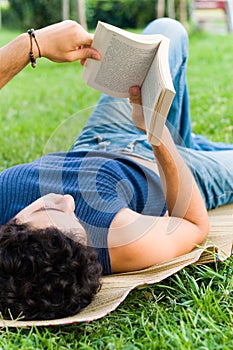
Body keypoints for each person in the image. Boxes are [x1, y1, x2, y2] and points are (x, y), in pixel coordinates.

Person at [0, 18, 232, 321]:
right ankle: (187, 145)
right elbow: (193, 224)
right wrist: (157, 136)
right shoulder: (120, 242)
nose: (68, 201)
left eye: (51, 208)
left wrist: (34, 45)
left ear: (12, 229)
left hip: (101, 137)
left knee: (167, 32)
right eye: (74, 219)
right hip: (164, 167)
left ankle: (189, 140)